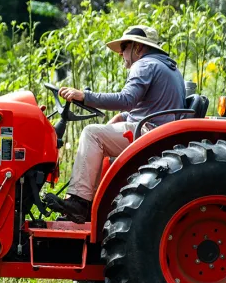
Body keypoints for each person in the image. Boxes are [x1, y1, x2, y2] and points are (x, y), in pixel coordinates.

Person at [44, 25, 186, 223]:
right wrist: (121, 118)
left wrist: (85, 96)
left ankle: (79, 203)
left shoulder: (144, 65)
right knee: (99, 135)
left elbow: (126, 99)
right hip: (157, 130)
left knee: (92, 133)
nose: (121, 55)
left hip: (149, 133)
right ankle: (87, 204)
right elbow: (149, 106)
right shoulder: (169, 68)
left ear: (137, 48)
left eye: (124, 48)